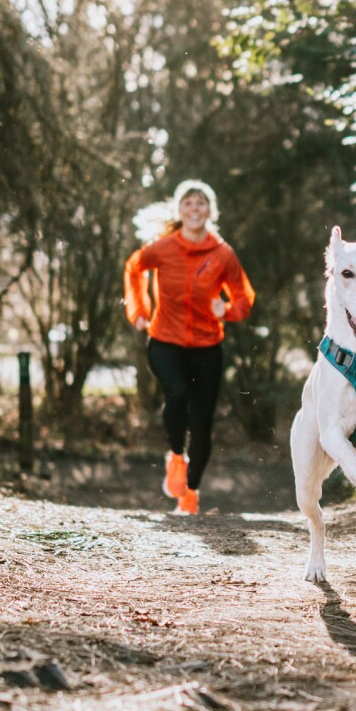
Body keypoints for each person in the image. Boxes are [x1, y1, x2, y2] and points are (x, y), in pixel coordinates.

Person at [124, 180, 255, 515]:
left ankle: (191, 494)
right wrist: (139, 312)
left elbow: (244, 298)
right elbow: (134, 269)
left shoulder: (223, 254)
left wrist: (226, 310)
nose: (195, 209)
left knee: (201, 424)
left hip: (207, 346)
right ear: (179, 211)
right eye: (188, 203)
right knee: (178, 393)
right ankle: (176, 457)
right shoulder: (162, 248)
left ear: (209, 211)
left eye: (201, 203)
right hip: (164, 340)